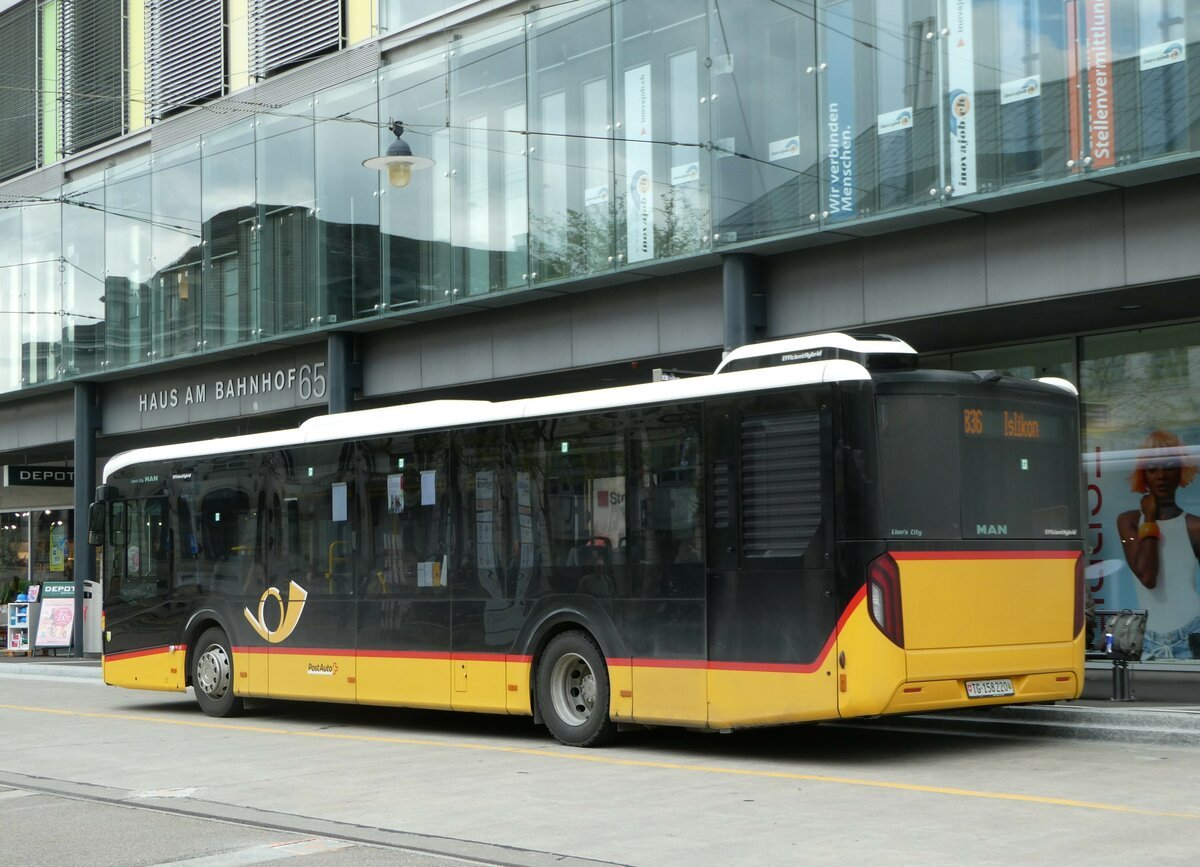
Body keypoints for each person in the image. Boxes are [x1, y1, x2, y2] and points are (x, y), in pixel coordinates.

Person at [1116, 429, 1200, 659]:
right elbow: (1147, 576)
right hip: (1148, 637)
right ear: (1143, 474)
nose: (1161, 475)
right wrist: (1150, 518)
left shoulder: (1194, 526)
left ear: (1181, 469)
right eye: (1152, 468)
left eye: (1170, 466)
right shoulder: (1130, 521)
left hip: (1192, 631)